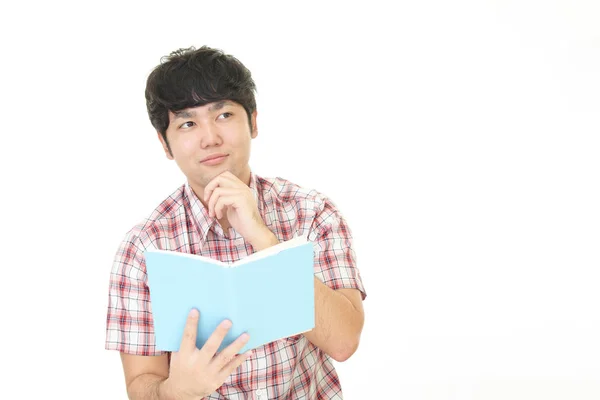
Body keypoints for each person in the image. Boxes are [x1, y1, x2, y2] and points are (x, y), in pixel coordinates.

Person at [105, 45, 367, 400]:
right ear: (165, 144)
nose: (210, 137)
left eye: (224, 115)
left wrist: (264, 239)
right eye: (187, 123)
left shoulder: (312, 213)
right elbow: (141, 385)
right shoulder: (144, 248)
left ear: (253, 122)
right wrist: (176, 391)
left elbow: (343, 341)